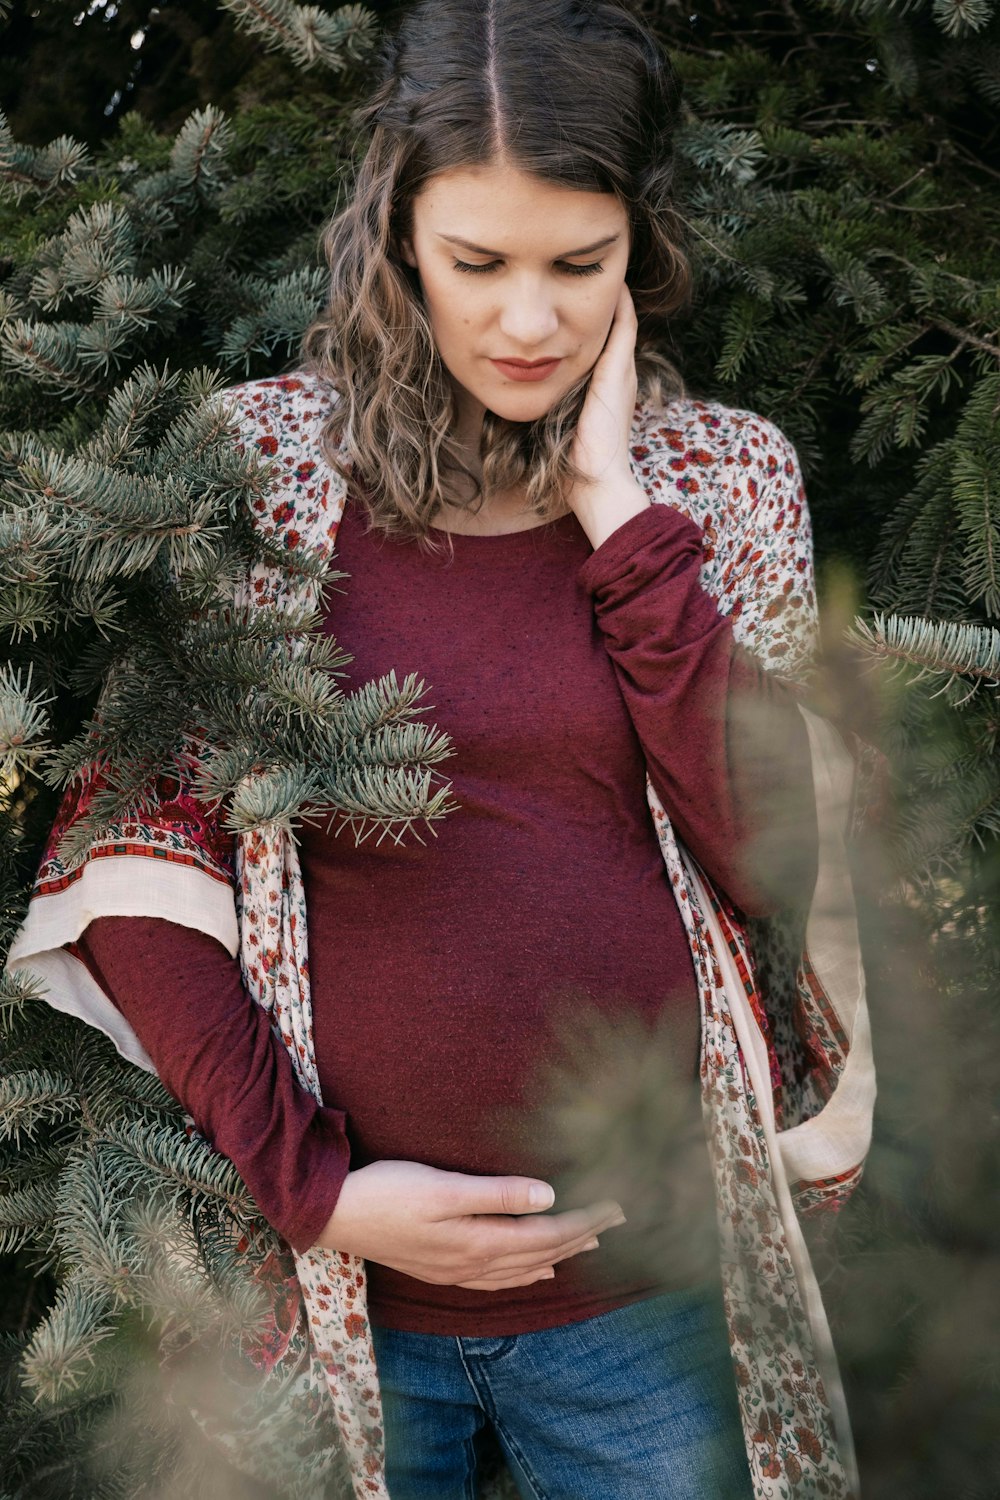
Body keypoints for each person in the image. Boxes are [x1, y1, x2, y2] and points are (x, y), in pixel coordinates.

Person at [8, 2, 874, 1497]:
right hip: (336, 1290)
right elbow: (135, 866)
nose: (528, 322)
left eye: (576, 267)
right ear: (395, 238)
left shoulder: (722, 481)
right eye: (478, 264)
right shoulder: (263, 474)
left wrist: (620, 522)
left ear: (639, 246)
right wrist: (318, 1190)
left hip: (647, 1297)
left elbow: (775, 857)